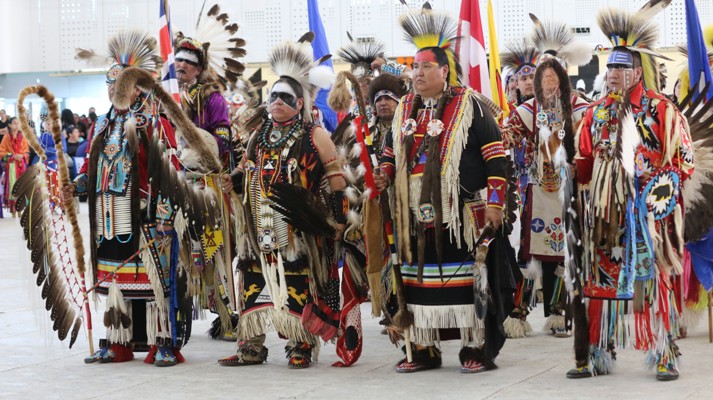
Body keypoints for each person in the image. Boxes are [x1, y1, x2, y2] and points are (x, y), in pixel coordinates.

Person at [377, 6, 516, 374]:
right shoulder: (404, 107)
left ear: (444, 70)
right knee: (417, 280)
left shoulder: (472, 106)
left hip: (460, 214)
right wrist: (385, 171)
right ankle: (423, 348)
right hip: (413, 214)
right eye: (415, 67)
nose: (418, 73)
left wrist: (497, 205)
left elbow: (497, 159)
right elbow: (390, 151)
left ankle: (475, 347)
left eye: (426, 67)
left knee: (467, 281)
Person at [568, 5, 694, 381]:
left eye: (620, 69)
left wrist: (659, 189)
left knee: (654, 280)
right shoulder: (597, 112)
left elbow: (684, 158)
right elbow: (585, 159)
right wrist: (567, 167)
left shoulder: (661, 110)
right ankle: (597, 352)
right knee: (599, 280)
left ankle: (663, 352)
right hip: (606, 215)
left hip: (648, 216)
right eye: (609, 69)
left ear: (638, 73)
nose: (612, 75)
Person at [68, 30, 196, 367]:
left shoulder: (155, 119)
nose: (115, 91)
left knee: (153, 283)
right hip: (109, 214)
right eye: (110, 86)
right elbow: (92, 167)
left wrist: (167, 205)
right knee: (116, 282)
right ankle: (117, 342)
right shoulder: (102, 124)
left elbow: (172, 164)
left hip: (147, 213)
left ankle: (163, 342)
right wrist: (80, 183)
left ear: (137, 86)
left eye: (121, 85)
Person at [218, 33, 344, 369]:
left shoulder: (314, 135)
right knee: (253, 280)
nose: (276, 102)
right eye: (272, 96)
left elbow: (336, 181)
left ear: (300, 102)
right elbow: (248, 170)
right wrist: (236, 180)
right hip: (260, 223)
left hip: (299, 229)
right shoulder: (258, 136)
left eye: (285, 97)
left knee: (298, 282)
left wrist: (336, 219)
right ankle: (251, 346)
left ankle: (300, 344)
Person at [500, 16, 592, 339]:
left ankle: (558, 312)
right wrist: (504, 135)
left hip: (570, 189)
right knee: (531, 249)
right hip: (537, 190)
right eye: (545, 77)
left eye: (555, 77)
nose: (550, 83)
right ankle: (519, 312)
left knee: (565, 251)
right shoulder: (529, 109)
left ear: (564, 77)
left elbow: (591, 136)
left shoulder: (580, 106)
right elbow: (507, 132)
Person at [173, 4, 247, 342]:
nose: (181, 65)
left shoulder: (212, 98)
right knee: (192, 252)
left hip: (210, 185)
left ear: (200, 68)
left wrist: (203, 154)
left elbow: (223, 139)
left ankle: (230, 313)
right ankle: (218, 311)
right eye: (178, 60)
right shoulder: (179, 98)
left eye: (188, 62)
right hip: (185, 183)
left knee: (213, 249)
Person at [0, 116, 30, 217]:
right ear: (9, 125)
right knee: (12, 187)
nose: (17, 125)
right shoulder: (6, 138)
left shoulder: (23, 137)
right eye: (14, 123)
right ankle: (13, 211)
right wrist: (13, 156)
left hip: (22, 165)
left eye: (18, 123)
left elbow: (27, 151)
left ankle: (21, 210)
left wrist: (23, 155)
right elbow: (2, 152)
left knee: (22, 187)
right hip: (12, 166)